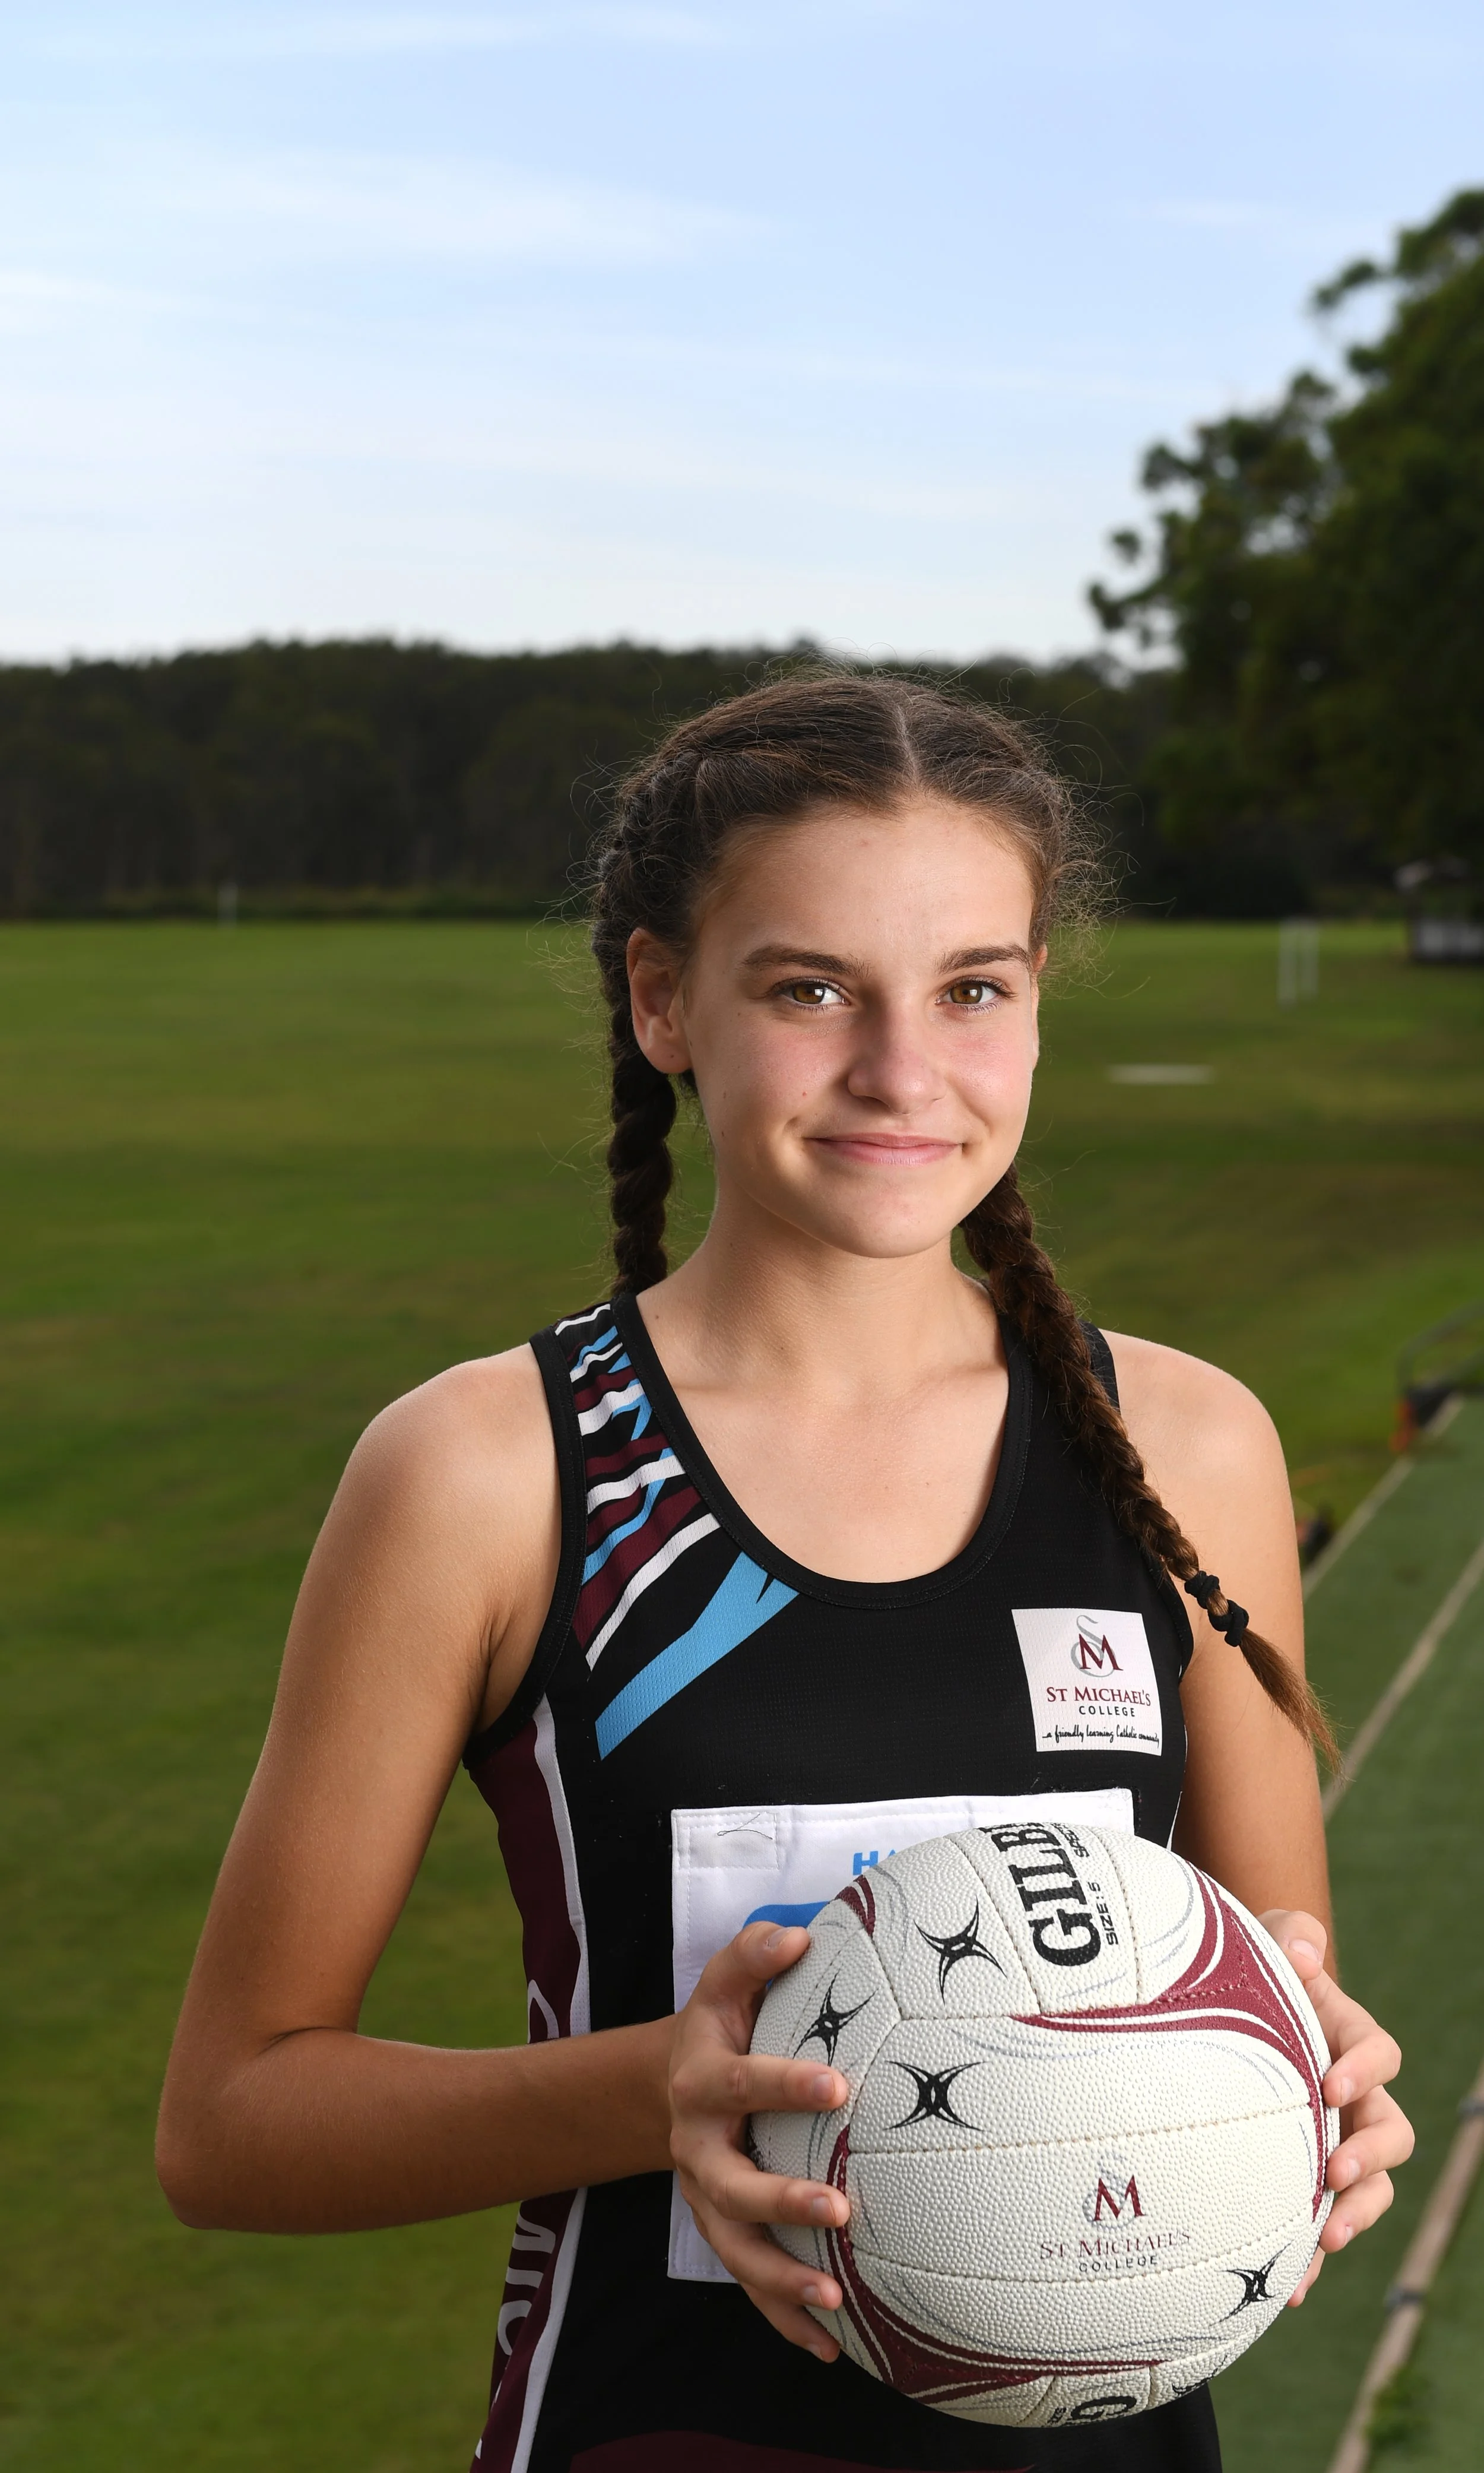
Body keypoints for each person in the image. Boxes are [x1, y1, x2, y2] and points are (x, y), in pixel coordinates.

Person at [158, 677, 1412, 2473]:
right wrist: (662, 2085)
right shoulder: (490, 1470)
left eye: (972, 987)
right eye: (811, 986)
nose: (904, 1070)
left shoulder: (1183, 1450)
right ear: (662, 998)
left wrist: (1313, 2098)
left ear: (1035, 1006)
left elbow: (1270, 1991)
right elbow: (232, 2123)